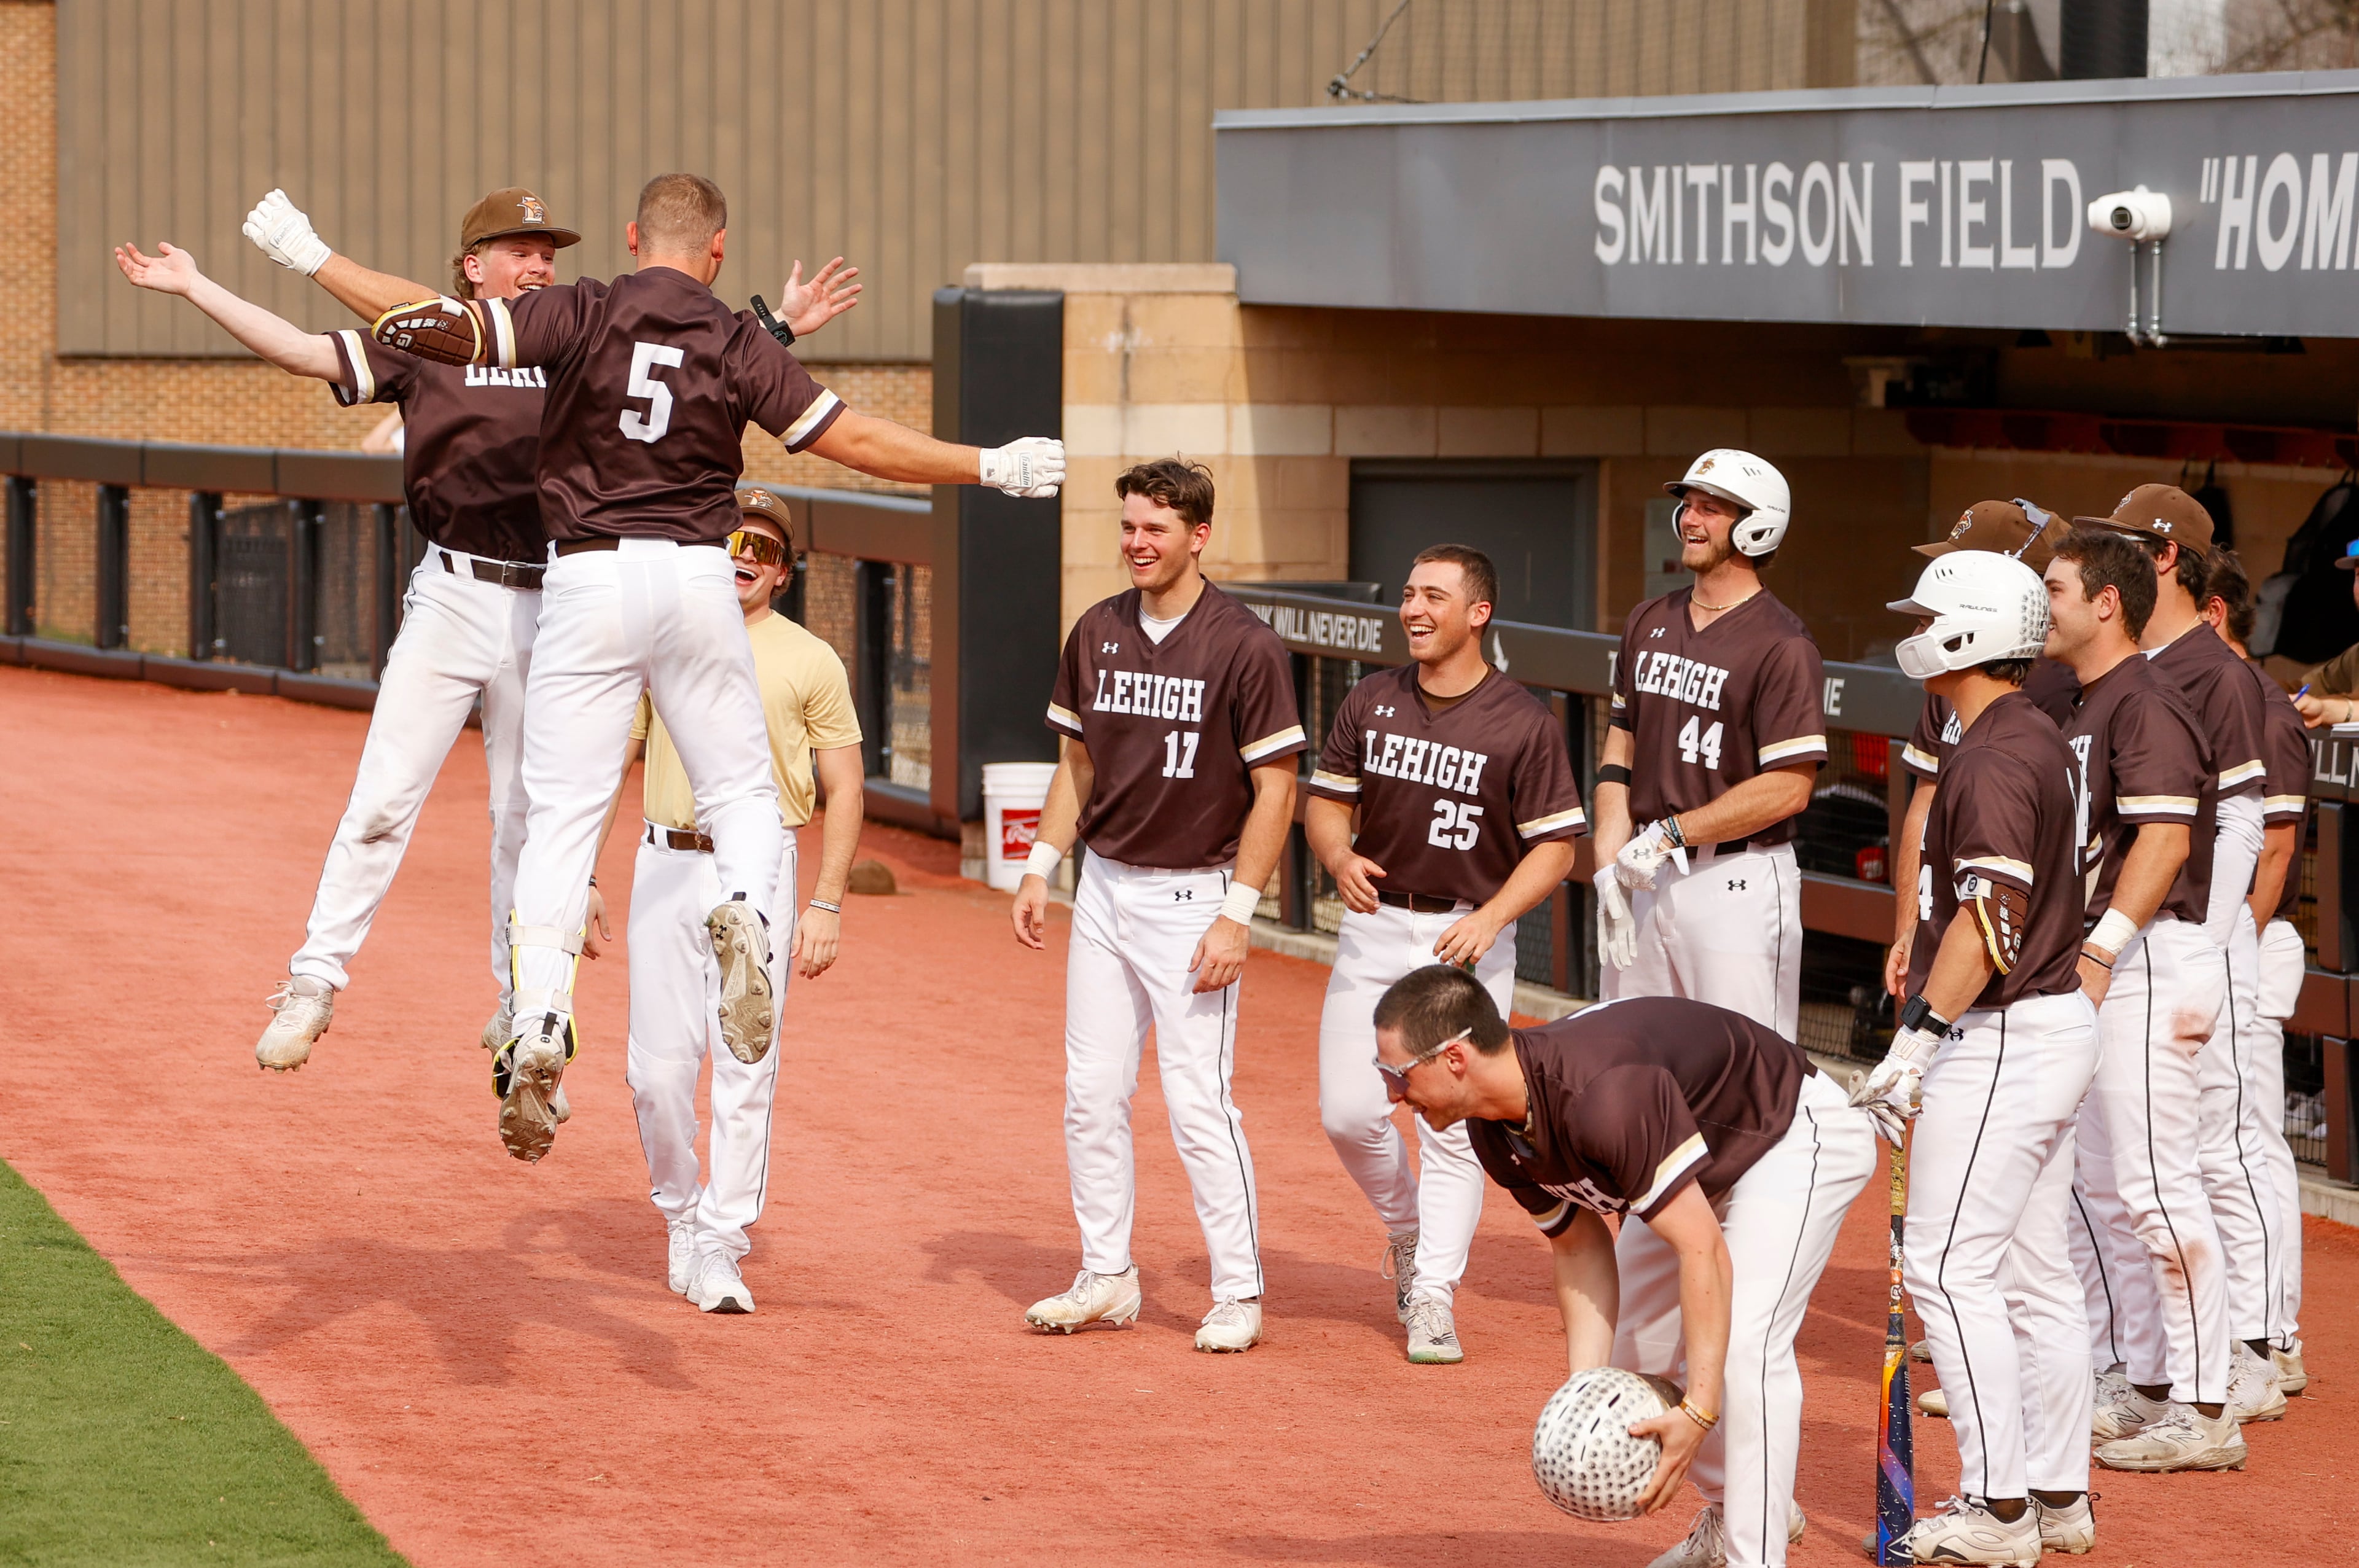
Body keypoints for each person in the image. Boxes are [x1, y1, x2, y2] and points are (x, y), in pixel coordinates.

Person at [361, 171, 1063, 1161]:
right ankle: (743, 908)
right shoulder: (736, 338)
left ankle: (540, 1016)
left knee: (556, 817)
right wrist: (991, 464)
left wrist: (311, 258)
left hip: (588, 580)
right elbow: (854, 439)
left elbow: (446, 328)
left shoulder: (586, 308)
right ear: (719, 252)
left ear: (634, 234)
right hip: (696, 573)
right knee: (739, 787)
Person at [119, 190, 855, 1079]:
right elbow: (308, 353)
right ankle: (315, 976)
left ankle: (521, 1009)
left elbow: (682, 361)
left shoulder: (561, 332)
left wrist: (777, 327)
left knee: (528, 814)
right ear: (474, 265)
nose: (541, 263)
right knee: (386, 795)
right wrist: (201, 289)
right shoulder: (436, 338)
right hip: (455, 588)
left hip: (559, 597)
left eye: (548, 251)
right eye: (522, 250)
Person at [1372, 969, 1874, 1568]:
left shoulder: (1601, 1097)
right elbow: (1579, 1246)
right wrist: (1585, 1389)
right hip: (1698, 1165)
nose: (1392, 1095)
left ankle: (1754, 1556)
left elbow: (1702, 1251)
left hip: (1788, 1133)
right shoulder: (1492, 1130)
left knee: (1745, 1353)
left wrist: (1698, 1408)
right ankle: (1735, 1505)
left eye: (1397, 1075)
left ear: (1454, 1057)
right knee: (1628, 1375)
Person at [1011, 459, 1303, 1354]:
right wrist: (1040, 862)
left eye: (1158, 529)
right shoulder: (1097, 629)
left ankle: (1239, 1290)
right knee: (1091, 1093)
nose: (1139, 543)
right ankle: (1108, 1274)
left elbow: (1278, 786)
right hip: (1103, 887)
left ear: (1199, 536)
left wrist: (1239, 911)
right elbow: (1079, 767)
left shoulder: (1243, 643)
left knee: (1198, 1101)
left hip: (1194, 896)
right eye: (1130, 526)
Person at [1852, 552, 2099, 1563]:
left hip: (2003, 1034)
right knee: (2035, 1276)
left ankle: (2000, 1512)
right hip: (2042, 1028)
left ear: (1969, 631)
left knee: (1949, 1269)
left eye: (1928, 613)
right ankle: (2057, 1492)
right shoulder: (2014, 731)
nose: (1913, 627)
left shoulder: (1995, 752)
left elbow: (1984, 918)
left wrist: (1919, 1036)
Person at [1303, 544, 1585, 1365]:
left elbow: (1558, 848)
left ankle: (1432, 1294)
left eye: (1434, 595)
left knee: (1455, 1133)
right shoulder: (1372, 697)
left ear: (1479, 613)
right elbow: (1327, 803)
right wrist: (1337, 856)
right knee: (1349, 1112)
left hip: (1464, 939)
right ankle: (1407, 1227)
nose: (1414, 609)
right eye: (1409, 594)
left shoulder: (1523, 721)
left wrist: (1495, 916)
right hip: (1375, 926)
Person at [587, 490, 862, 1315]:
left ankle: (721, 1239)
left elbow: (844, 785)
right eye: (729, 538)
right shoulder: (661, 645)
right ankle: (680, 1212)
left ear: (782, 570)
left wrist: (828, 902)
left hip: (762, 865)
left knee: (745, 1064)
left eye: (762, 547)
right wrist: (584, 874)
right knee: (655, 1073)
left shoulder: (810, 658)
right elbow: (613, 763)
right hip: (665, 859)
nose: (743, 554)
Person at [2040, 528, 2242, 1473]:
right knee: (2111, 1188)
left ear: (2106, 602)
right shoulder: (2093, 701)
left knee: (2160, 1189)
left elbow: (2163, 842)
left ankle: (2208, 1407)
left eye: (2055, 589)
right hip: (2120, 959)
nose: (2045, 605)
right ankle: (2150, 1378)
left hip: (2149, 958)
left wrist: (2102, 953)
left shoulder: (2146, 703)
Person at [2089, 485, 2287, 1429]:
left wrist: (2211, 948)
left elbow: (2246, 821)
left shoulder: (2218, 670)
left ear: (2164, 555)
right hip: (2149, 940)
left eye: (2124, 544)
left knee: (2216, 1156)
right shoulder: (2128, 664)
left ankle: (2250, 1352)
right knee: (2141, 1168)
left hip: (2194, 944)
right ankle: (2154, 1362)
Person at [1590, 450, 1825, 1039]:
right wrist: (1606, 867)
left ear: (1756, 525)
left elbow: (1789, 788)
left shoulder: (1783, 643)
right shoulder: (1648, 619)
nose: (1689, 520)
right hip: (1645, 873)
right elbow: (1621, 748)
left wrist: (1673, 832)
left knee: (1742, 1067)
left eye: (1710, 509)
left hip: (1736, 879)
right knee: (1630, 1056)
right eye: (1687, 506)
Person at [1884, 499, 2080, 1001]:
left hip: (2017, 975)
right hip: (1955, 933)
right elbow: (1925, 804)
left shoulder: (2054, 683)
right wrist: (1913, 928)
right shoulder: (1951, 679)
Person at [2201, 549, 2310, 1395]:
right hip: (2211, 943)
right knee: (2217, 1147)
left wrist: (2228, 949)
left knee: (2246, 1145)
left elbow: (2275, 849)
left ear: (2212, 613)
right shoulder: (2200, 696)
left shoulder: (2265, 707)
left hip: (2246, 941)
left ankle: (2271, 1335)